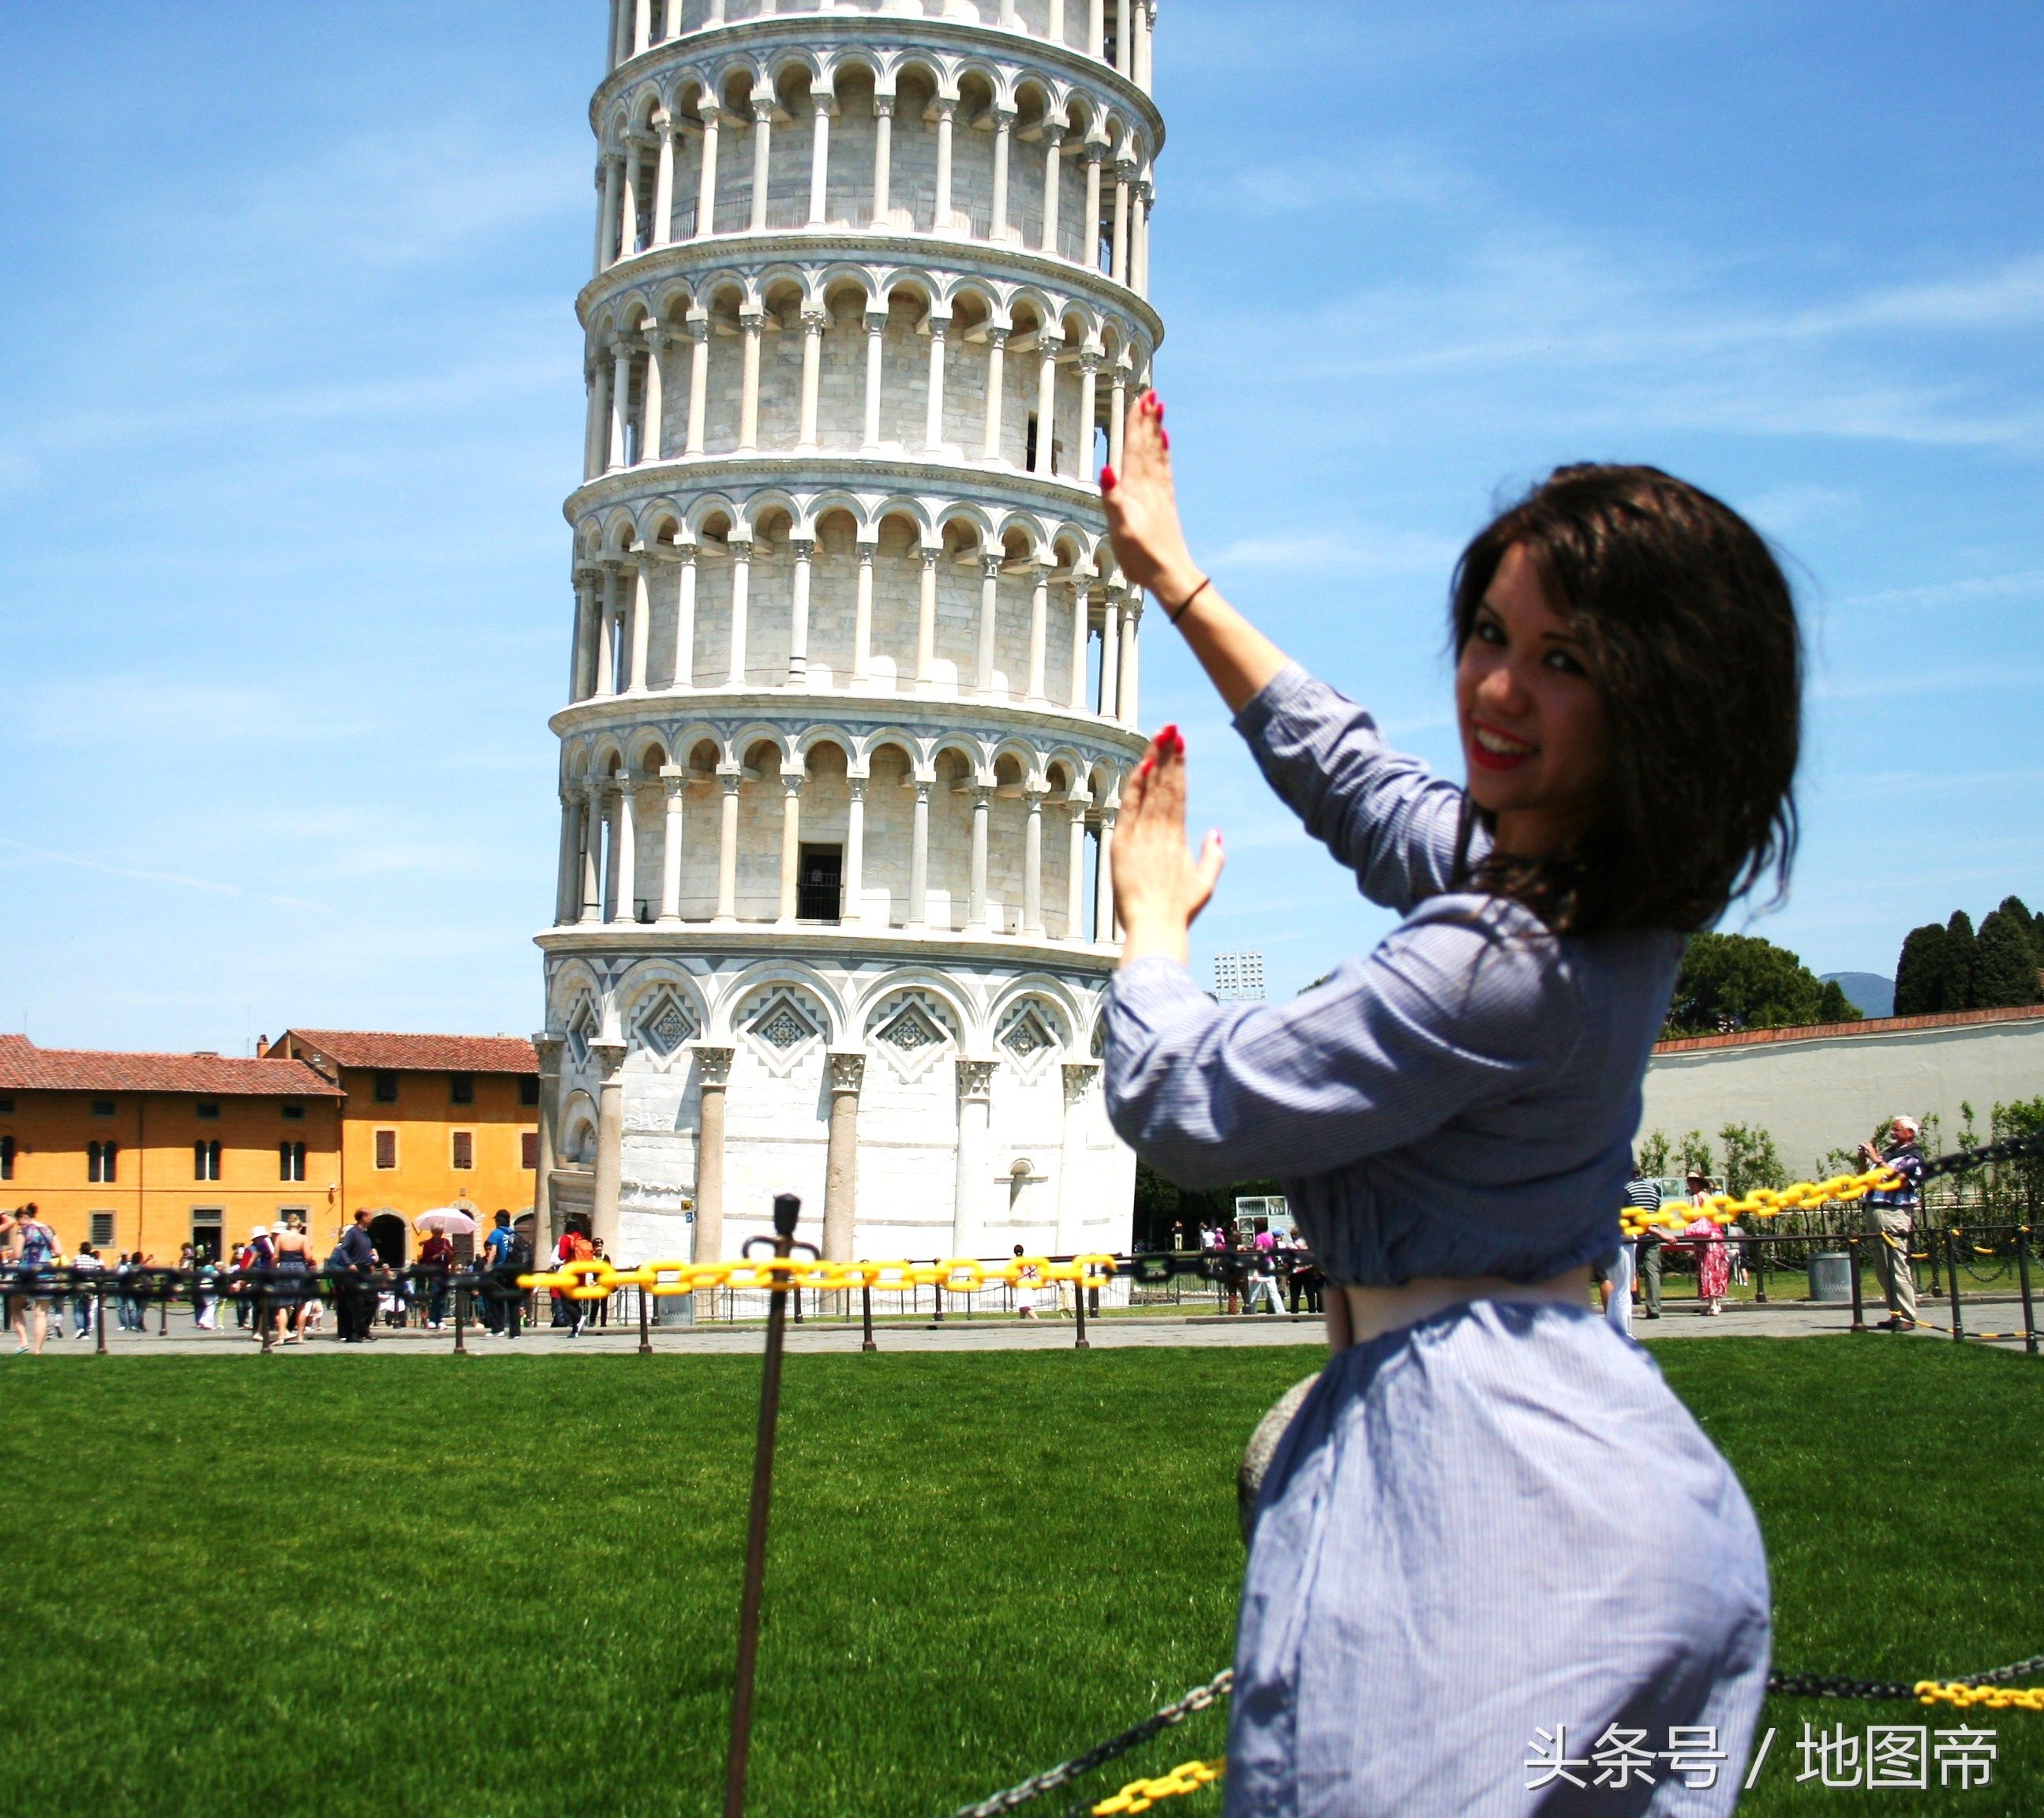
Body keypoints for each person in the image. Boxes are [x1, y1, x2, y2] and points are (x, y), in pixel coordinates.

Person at [1098, 403, 1793, 1815]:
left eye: (1564, 660)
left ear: (1660, 701)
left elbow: (1185, 1099)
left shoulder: (1494, 965)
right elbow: (1365, 788)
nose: (1495, 689)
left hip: (1478, 1489)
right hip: (1585, 1444)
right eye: (1488, 633)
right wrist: (1176, 575)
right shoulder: (1613, 894)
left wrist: (1151, 929)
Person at [1859, 1113, 1925, 1332]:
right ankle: (1895, 1313)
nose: (1892, 1133)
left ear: (1909, 1133)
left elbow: (1900, 1181)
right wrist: (1864, 1161)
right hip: (1873, 1211)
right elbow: (1865, 1180)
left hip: (1893, 1213)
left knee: (1897, 1265)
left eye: (1897, 1129)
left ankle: (1908, 1316)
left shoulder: (1913, 1156)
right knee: (1882, 1268)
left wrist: (1877, 1159)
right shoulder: (1888, 1155)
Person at [10, 1203, 58, 1354]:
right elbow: (58, 1251)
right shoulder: (49, 1229)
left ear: (23, 1217)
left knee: (15, 1305)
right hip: (46, 1271)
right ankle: (37, 1350)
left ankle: (24, 1341)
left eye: (19, 1220)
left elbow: (17, 1254)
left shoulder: (23, 1230)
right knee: (41, 1313)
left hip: (27, 1272)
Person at [1628, 1158, 1665, 1321]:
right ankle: (1653, 1308)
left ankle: (1626, 1304)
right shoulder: (1652, 1189)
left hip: (1635, 1235)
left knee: (1628, 1270)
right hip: (1653, 1234)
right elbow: (1658, 1208)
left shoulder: (1626, 1188)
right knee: (1652, 1272)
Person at [332, 1209, 378, 1344]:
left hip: (366, 1270)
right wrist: (349, 1264)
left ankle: (363, 1329)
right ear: (363, 1217)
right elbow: (343, 1250)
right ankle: (353, 1333)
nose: (372, 1219)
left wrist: (371, 1260)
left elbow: (365, 1251)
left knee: (373, 1300)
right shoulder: (353, 1232)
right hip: (355, 1271)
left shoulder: (365, 1234)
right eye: (370, 1216)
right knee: (356, 1303)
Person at [418, 1228, 455, 1330]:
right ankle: (433, 1319)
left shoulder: (445, 1242)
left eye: (440, 1233)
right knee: (435, 1296)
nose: (439, 1235)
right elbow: (426, 1260)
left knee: (443, 1298)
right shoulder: (428, 1244)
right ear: (433, 1233)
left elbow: (452, 1256)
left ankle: (440, 1319)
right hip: (434, 1274)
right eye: (437, 1233)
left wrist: (448, 1251)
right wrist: (439, 1254)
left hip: (444, 1274)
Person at [71, 1243, 103, 1339]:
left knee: (77, 1308)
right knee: (87, 1309)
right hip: (90, 1285)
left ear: (81, 1250)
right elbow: (97, 1272)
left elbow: (71, 1270)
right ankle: (86, 1331)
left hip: (79, 1285)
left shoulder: (76, 1259)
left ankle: (80, 1327)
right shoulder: (93, 1261)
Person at [1013, 1243, 1040, 1318]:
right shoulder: (1027, 1261)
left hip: (1021, 1283)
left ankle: (1037, 1320)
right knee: (1022, 1306)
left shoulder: (1015, 1261)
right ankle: (1021, 1323)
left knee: (1023, 1305)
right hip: (1027, 1282)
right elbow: (1035, 1270)